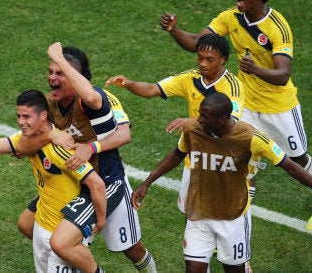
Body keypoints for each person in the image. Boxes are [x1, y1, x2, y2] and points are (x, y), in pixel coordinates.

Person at [159, 0, 312, 230]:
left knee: (297, 157)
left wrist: (255, 69)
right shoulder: (230, 17)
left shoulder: (277, 28)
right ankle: (236, 220)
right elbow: (197, 42)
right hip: (246, 104)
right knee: (242, 155)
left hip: (280, 106)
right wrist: (174, 30)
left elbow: (283, 74)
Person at [131, 92, 312, 272]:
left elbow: (291, 167)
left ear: (222, 119)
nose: (198, 119)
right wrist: (147, 182)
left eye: (204, 116)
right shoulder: (193, 130)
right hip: (198, 215)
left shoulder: (252, 138)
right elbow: (177, 154)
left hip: (232, 218)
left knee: (233, 269)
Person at [15, 42, 157, 273]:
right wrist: (50, 134)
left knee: (132, 249)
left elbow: (124, 134)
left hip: (106, 181)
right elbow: (24, 145)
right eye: (50, 71)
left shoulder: (101, 98)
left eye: (60, 72)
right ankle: (76, 255)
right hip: (73, 181)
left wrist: (91, 147)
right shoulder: (49, 104)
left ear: (74, 75)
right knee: (28, 226)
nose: (52, 77)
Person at [0, 89, 108, 273]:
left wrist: (100, 221)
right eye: (18, 116)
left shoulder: (61, 148)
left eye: (26, 117)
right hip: (41, 224)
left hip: (60, 231)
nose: (21, 122)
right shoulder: (26, 139)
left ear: (43, 115)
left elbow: (96, 183)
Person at [105, 33, 247, 213]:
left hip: (222, 159)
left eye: (210, 59)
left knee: (222, 216)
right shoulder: (190, 78)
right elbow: (151, 89)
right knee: (190, 213)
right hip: (195, 156)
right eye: (200, 58)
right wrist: (128, 83)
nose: (203, 63)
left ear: (223, 60)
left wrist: (193, 121)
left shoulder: (233, 86)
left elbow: (231, 121)